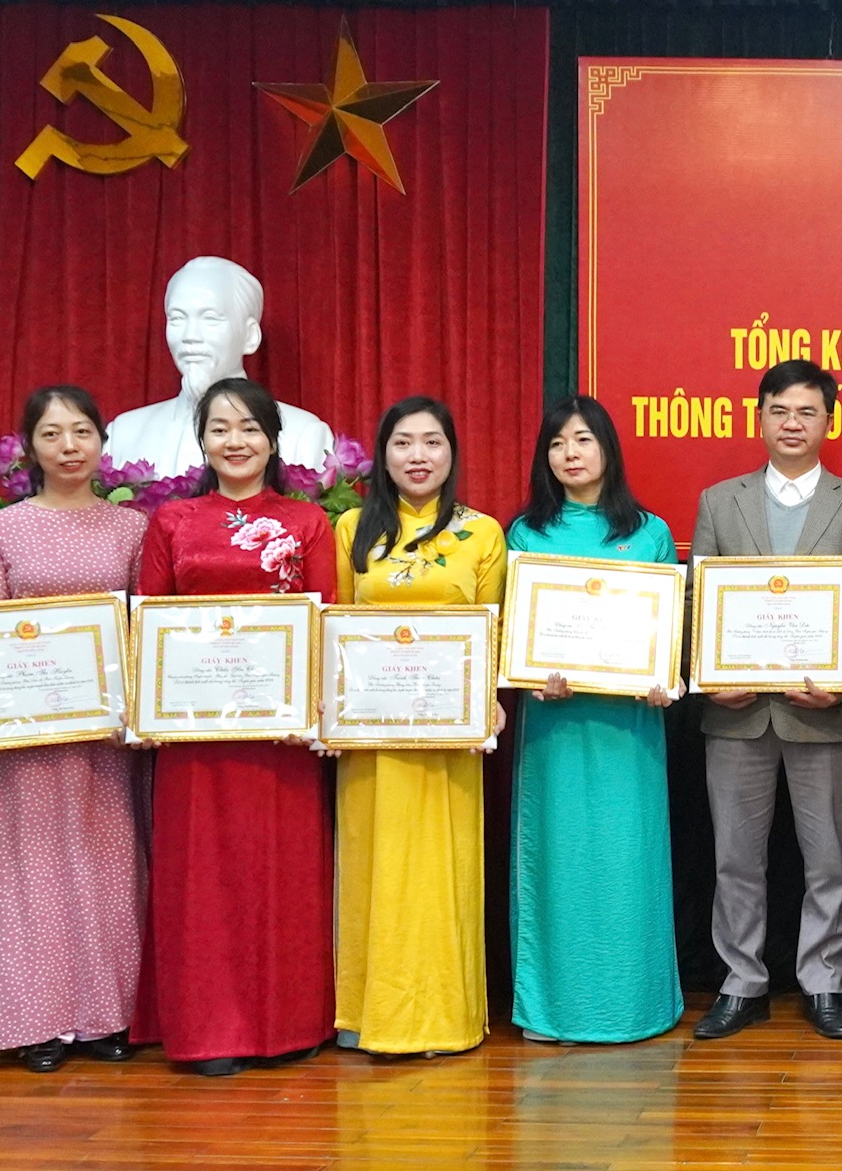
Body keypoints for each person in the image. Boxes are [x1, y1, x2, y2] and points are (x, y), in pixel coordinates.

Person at [135, 377, 339, 1076]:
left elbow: (325, 624)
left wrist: (312, 710)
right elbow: (148, 623)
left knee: (280, 875)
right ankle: (207, 1031)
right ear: (202, 441)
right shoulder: (172, 522)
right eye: (219, 428)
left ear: (273, 440)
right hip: (196, 741)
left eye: (249, 427)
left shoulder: (307, 523)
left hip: (280, 741)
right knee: (202, 881)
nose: (235, 440)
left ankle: (290, 1024)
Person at [690, 361, 842, 1043]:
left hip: (825, 714)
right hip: (736, 713)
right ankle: (740, 982)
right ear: (761, 418)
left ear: (829, 420)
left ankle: (824, 981)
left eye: (807, 411)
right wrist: (707, 675)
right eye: (780, 410)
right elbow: (698, 603)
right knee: (734, 859)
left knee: (829, 860)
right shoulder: (720, 501)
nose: (793, 423)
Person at [0, 385, 147, 1072]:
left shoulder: (131, 528)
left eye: (81, 432)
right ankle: (36, 1021)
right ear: (29, 447)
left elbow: (143, 630)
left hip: (106, 733)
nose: (69, 447)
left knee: (109, 870)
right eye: (51, 434)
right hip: (26, 736)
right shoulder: (1, 530)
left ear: (101, 441)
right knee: (30, 872)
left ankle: (109, 1015)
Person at [331, 396, 508, 1056]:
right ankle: (366, 1014)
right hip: (371, 734)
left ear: (452, 454)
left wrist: (488, 696)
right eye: (403, 443)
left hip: (448, 734)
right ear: (383, 455)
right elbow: (333, 625)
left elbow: (493, 629)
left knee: (441, 871)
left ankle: (441, 1016)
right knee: (371, 865)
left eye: (432, 442)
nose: (418, 456)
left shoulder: (481, 533)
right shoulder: (352, 528)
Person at [507, 396, 683, 1043]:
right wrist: (531, 674)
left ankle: (634, 1005)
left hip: (629, 734)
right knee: (558, 862)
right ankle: (550, 1008)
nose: (570, 454)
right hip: (555, 727)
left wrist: (666, 678)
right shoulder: (526, 533)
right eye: (557, 444)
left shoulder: (651, 531)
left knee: (626, 863)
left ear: (608, 447)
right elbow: (514, 635)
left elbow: (668, 636)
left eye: (582, 439)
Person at [102, 257, 334, 475]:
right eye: (177, 318)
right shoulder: (124, 435)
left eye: (210, 318)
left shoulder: (302, 436)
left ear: (250, 336)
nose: (190, 336)